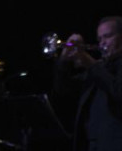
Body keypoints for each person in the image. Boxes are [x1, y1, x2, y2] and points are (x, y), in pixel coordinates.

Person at [52, 16, 122, 151]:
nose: (102, 43)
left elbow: (118, 93)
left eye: (107, 36)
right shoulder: (100, 68)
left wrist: (91, 64)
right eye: (99, 39)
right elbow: (63, 91)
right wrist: (63, 62)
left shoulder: (101, 68)